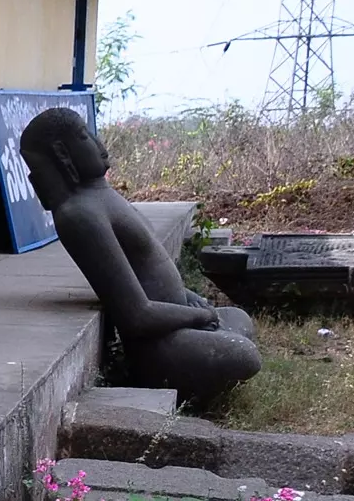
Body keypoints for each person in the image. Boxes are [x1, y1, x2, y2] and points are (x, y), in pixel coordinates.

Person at [18, 106, 261, 400]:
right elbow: (136, 316)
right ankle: (192, 371)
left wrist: (190, 301)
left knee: (237, 318)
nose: (99, 145)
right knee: (244, 354)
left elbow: (150, 270)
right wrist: (197, 317)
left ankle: (210, 341)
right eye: (85, 137)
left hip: (175, 320)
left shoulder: (102, 196)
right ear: (63, 154)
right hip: (158, 345)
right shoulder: (79, 215)